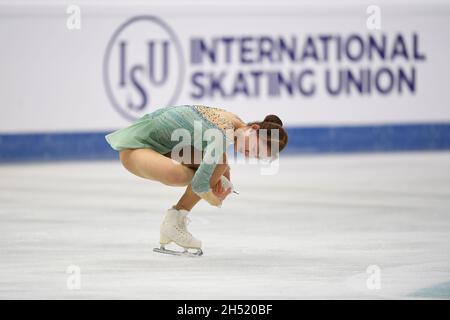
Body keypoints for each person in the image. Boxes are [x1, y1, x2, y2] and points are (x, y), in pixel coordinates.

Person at [105, 104, 288, 256]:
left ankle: (174, 221)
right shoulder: (223, 134)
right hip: (135, 149)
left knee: (220, 163)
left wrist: (223, 175)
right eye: (254, 149)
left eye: (255, 156)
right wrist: (215, 199)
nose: (248, 155)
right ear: (254, 129)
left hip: (162, 147)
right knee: (181, 175)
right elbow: (201, 184)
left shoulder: (234, 122)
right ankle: (173, 222)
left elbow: (213, 149)